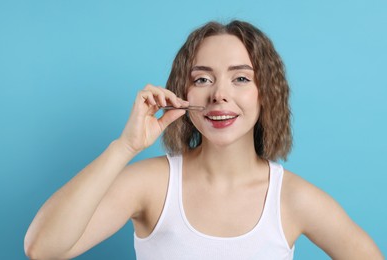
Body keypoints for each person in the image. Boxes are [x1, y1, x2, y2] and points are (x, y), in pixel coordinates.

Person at [24, 20, 383, 259]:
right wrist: (125, 147)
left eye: (241, 79)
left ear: (265, 94)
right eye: (202, 79)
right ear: (182, 92)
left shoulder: (294, 198)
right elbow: (42, 249)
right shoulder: (150, 185)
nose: (219, 95)